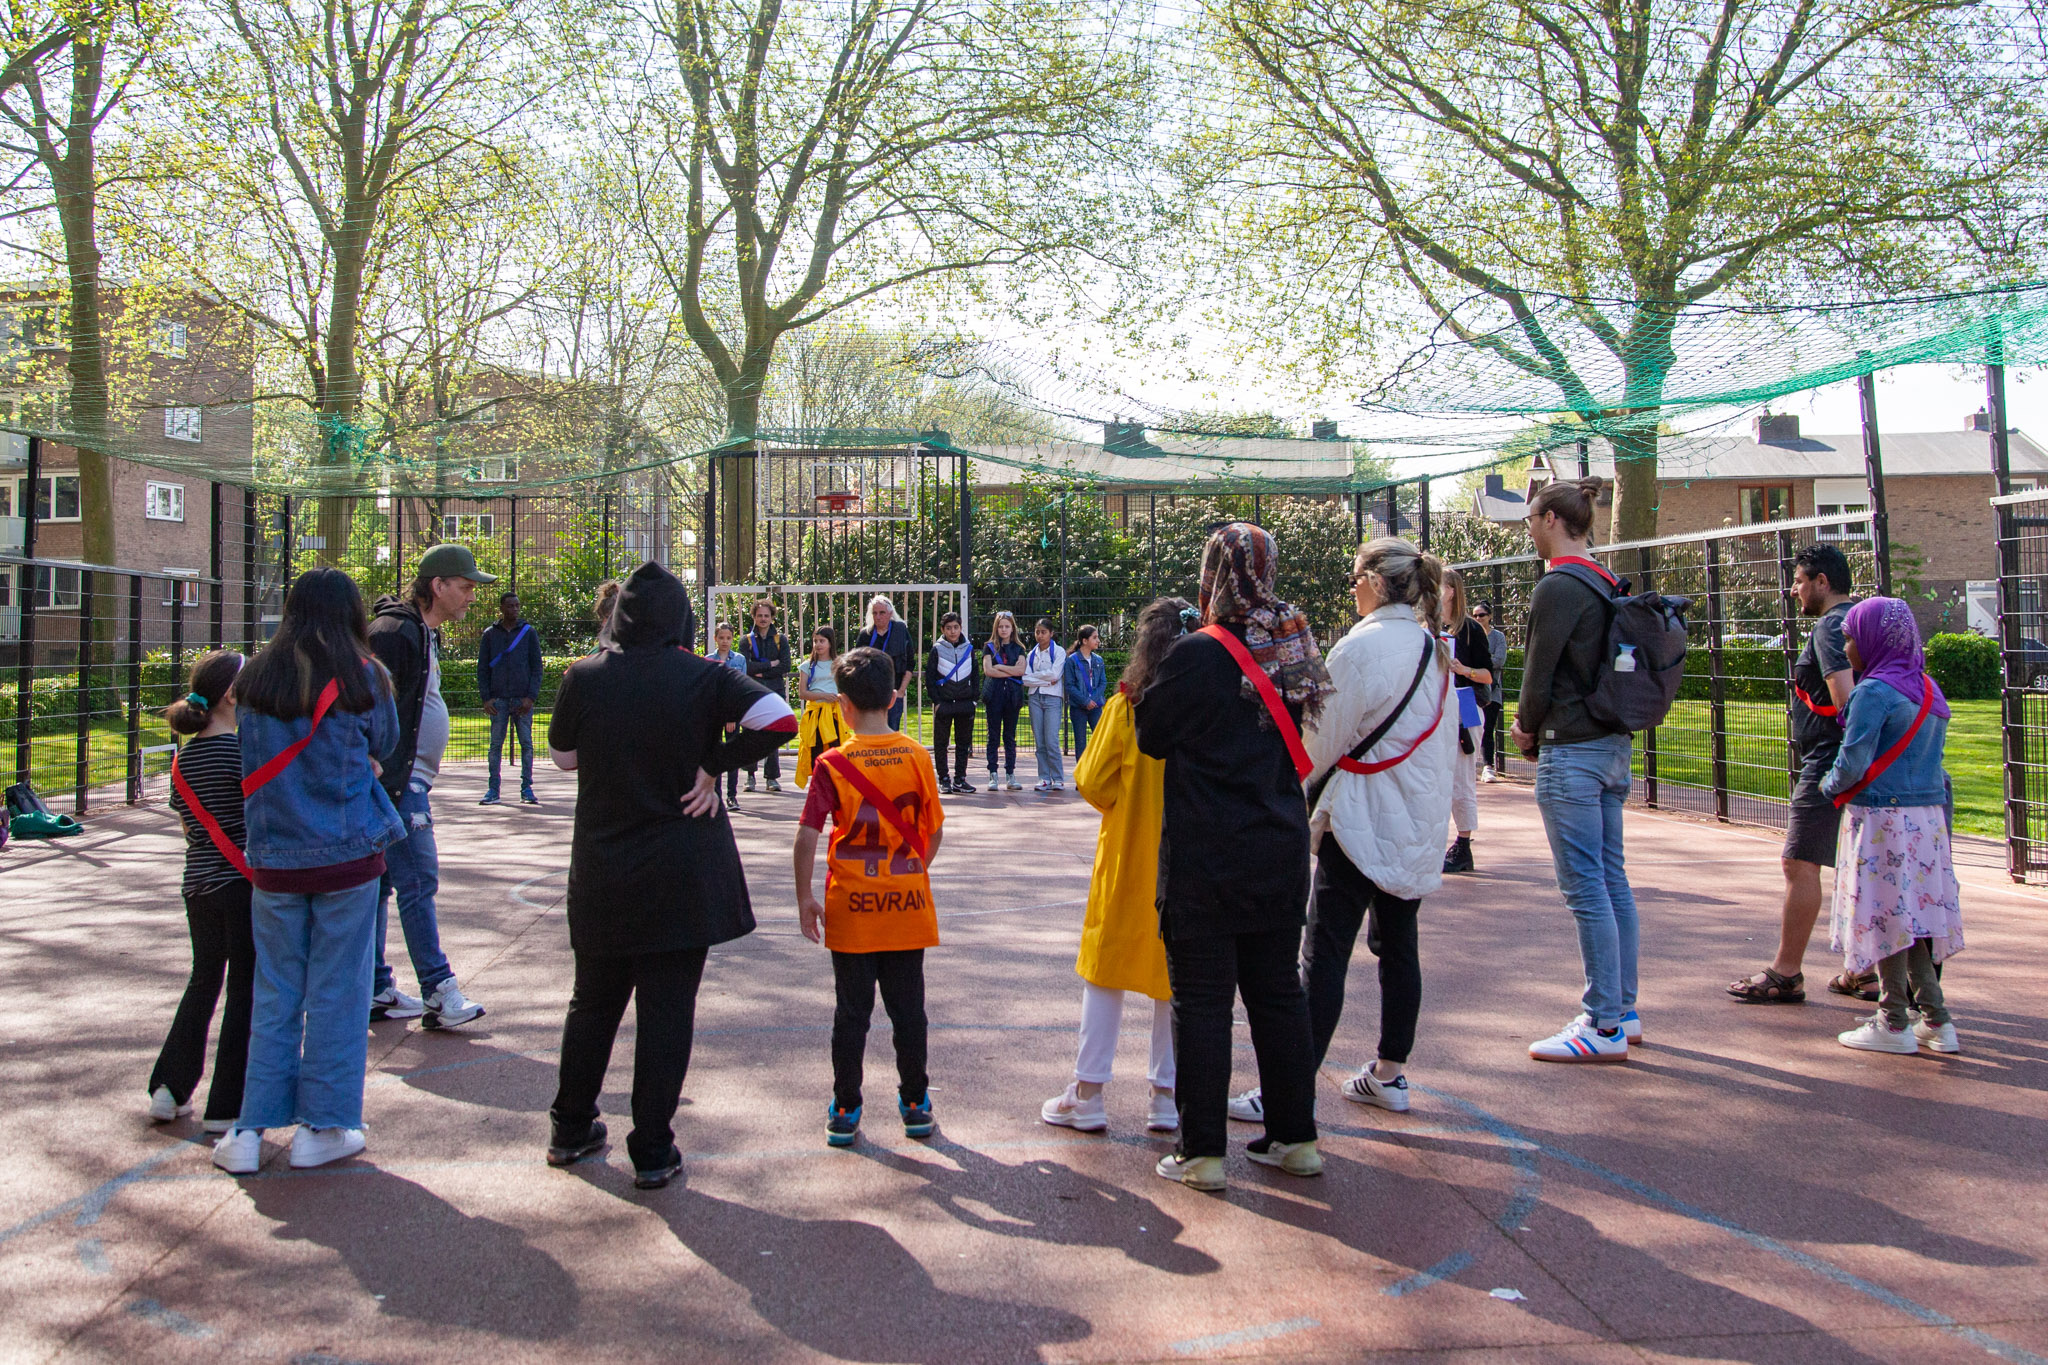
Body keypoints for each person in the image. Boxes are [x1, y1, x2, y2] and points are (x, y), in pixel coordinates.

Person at [544, 562, 795, 1189]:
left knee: (594, 1000)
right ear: (681, 618)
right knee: (666, 1009)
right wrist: (714, 762)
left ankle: (570, 1126)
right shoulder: (703, 676)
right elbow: (779, 718)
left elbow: (562, 758)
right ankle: (652, 1148)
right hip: (681, 870)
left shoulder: (584, 676)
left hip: (603, 866)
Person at [1230, 539, 1456, 1125]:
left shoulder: (1361, 647)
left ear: (1377, 583)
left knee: (1323, 952)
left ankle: (1288, 1088)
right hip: (1418, 817)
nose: (1350, 585)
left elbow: (1318, 739)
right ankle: (1390, 1072)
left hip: (1362, 816)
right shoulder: (1435, 648)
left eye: (1356, 575)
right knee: (1399, 947)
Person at [1135, 523, 1333, 1191]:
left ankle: (1204, 1152)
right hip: (1278, 844)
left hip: (1207, 854)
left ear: (1212, 574)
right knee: (1278, 995)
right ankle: (1295, 1136)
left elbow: (1152, 735)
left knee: (1204, 1000)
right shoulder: (1290, 642)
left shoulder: (1197, 654)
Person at [211, 568, 404, 1175]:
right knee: (338, 992)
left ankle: (248, 1129)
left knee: (274, 991)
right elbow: (387, 741)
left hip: (273, 858)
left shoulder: (257, 677)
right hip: (348, 854)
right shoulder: (366, 676)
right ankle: (324, 1126)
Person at [1041, 599, 1186, 1136]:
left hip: (1128, 857)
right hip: (1185, 862)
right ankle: (1166, 1096)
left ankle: (1089, 1092)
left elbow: (1092, 780)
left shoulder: (1127, 709)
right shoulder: (1208, 705)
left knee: (1103, 970)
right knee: (1173, 976)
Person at [794, 647, 947, 1147]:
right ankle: (915, 1103)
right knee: (910, 1013)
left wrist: (803, 899)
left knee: (850, 1015)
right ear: (892, 695)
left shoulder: (832, 763)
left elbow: (807, 837)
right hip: (906, 908)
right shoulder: (917, 755)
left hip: (852, 909)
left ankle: (845, 1106)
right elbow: (935, 830)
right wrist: (913, 868)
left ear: (842, 705)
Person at [1512, 479, 1643, 1063]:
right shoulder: (1606, 579)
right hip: (1613, 744)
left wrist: (1523, 727)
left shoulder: (1558, 585)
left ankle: (1603, 1022)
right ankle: (1622, 1008)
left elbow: (1538, 673)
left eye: (1531, 518)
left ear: (1549, 520)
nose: (1529, 529)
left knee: (1585, 885)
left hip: (1573, 749)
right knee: (1611, 879)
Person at [1823, 596, 1964, 1055]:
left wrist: (1828, 786)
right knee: (1913, 919)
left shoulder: (1874, 692)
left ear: (1872, 639)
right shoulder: (1928, 689)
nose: (1846, 647)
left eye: (1850, 636)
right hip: (1927, 821)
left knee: (1884, 916)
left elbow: (1853, 761)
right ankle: (1936, 1019)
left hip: (1882, 819)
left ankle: (1893, 1020)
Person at [365, 544, 489, 1029]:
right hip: (399, 783)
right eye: (465, 587)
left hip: (403, 780)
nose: (471, 597)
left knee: (384, 883)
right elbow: (372, 710)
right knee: (417, 880)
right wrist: (389, 777)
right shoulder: (396, 633)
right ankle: (438, 989)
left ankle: (376, 986)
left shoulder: (418, 631)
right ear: (437, 586)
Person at [1728, 544, 1858, 1005]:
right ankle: (1864, 971)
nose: (1794, 589)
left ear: (1823, 583)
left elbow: (1847, 700)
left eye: (1800, 580)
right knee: (1859, 862)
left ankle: (1786, 972)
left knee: (1799, 861)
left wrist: (1849, 759)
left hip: (1830, 759)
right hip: (1859, 760)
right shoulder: (1865, 620)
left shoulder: (1830, 626)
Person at [151, 649, 254, 1135]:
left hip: (197, 884)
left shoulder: (183, 760)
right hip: (242, 884)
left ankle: (168, 1087)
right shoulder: (241, 752)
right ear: (232, 695)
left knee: (203, 980)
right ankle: (226, 1106)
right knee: (244, 990)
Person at [1439, 568, 1494, 873]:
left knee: (1462, 773)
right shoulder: (1428, 627)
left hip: (1466, 705)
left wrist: (1463, 670)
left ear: (1451, 591)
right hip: (1435, 707)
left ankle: (1463, 844)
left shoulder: (1471, 629)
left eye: (1438, 585)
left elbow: (1486, 675)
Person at [478, 591, 543, 806]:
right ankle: (493, 789)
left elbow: (537, 667)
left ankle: (527, 788)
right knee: (495, 745)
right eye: (510, 606)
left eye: (517, 606)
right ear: (501, 608)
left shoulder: (528, 633)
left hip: (522, 699)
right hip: (498, 700)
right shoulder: (490, 634)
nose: (514, 609)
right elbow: (482, 669)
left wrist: (531, 697)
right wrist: (486, 698)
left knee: (527, 744)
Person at [741, 598, 792, 792]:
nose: (763, 619)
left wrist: (761, 671)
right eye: (760, 615)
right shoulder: (745, 640)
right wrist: (770, 665)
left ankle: (772, 777)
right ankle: (750, 776)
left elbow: (785, 666)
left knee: (773, 733)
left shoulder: (781, 640)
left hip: (774, 691)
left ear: (772, 618)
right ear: (754, 616)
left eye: (767, 616)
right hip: (752, 690)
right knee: (751, 732)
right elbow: (746, 666)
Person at [925, 612, 979, 793]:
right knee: (941, 743)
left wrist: (974, 700)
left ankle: (960, 779)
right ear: (943, 630)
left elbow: (976, 676)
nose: (953, 631)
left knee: (963, 744)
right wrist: (937, 701)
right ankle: (944, 779)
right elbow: (930, 677)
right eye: (948, 628)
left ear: (961, 628)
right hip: (945, 703)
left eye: (955, 627)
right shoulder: (937, 649)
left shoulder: (969, 649)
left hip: (965, 703)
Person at [794, 627, 847, 789]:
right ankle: (819, 784)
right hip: (816, 714)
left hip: (834, 713)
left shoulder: (839, 664)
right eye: (815, 641)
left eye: (822, 641)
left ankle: (836, 783)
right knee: (815, 749)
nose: (818, 644)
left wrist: (837, 697)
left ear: (830, 643)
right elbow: (802, 693)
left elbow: (845, 689)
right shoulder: (807, 666)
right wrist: (823, 696)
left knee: (836, 748)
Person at [982, 611, 1027, 791]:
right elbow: (988, 671)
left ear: (1012, 628)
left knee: (1010, 736)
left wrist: (1000, 666)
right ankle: (993, 774)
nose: (1004, 629)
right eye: (1000, 626)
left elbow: (1021, 670)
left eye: (1007, 626)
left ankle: (1010, 774)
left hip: (1013, 697)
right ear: (996, 628)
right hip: (994, 696)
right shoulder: (989, 647)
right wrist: (1009, 670)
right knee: (993, 735)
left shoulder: (1019, 648)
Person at [1022, 619, 1068, 792]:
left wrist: (1038, 678)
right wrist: (1045, 679)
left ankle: (1057, 778)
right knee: (1039, 741)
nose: (1040, 635)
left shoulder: (1059, 652)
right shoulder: (1032, 654)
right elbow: (1025, 678)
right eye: (1037, 632)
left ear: (1051, 633)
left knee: (1051, 740)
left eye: (1043, 632)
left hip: (1052, 698)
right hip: (1035, 698)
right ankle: (1043, 777)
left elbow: (1056, 673)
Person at [856, 595, 913, 731]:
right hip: (871, 694)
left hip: (893, 692)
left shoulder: (901, 631)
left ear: (890, 613)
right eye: (875, 613)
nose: (878, 616)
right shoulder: (866, 635)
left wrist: (901, 691)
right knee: (870, 732)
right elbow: (856, 664)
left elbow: (909, 663)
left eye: (882, 613)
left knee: (891, 732)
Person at [709, 622, 750, 810]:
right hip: (715, 714)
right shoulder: (709, 659)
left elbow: (739, 687)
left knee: (732, 755)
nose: (725, 641)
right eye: (721, 638)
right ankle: (715, 794)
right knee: (715, 755)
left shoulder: (739, 659)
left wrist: (732, 716)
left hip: (732, 713)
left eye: (728, 638)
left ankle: (732, 795)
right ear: (715, 638)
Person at [1064, 624, 1108, 759]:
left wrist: (1093, 700)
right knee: (1080, 742)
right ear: (1084, 641)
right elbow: (1069, 685)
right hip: (1078, 707)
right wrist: (1085, 701)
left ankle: (1099, 772)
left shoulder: (1098, 660)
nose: (1098, 640)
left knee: (1101, 739)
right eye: (1094, 637)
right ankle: (1081, 776)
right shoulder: (1072, 660)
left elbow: (1103, 682)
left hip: (1095, 707)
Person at [1476, 602, 1507, 780]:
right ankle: (1470, 763)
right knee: (1470, 726)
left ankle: (1488, 766)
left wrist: (1479, 664)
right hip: (1473, 690)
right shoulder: (1471, 635)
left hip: (1492, 690)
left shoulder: (1498, 637)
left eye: (1482, 615)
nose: (1478, 618)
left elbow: (1499, 660)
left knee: (1488, 728)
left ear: (1489, 616)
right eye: (1475, 615)